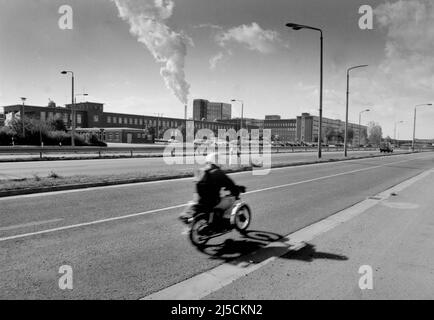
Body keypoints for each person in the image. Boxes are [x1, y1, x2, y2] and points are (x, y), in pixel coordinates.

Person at [180, 153, 240, 225]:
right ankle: (226, 219)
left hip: (198, 200)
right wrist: (236, 191)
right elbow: (230, 185)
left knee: (194, 204)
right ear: (217, 161)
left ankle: (191, 215)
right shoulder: (219, 172)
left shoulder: (199, 171)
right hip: (213, 201)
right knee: (230, 199)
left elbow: (197, 185)